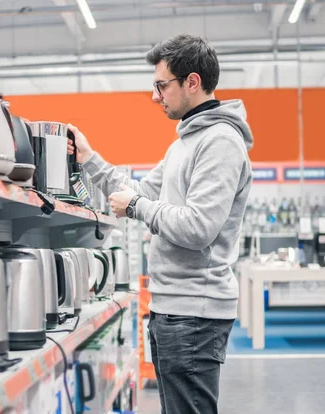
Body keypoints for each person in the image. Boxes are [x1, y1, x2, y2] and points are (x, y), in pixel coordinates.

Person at [67, 34, 254, 414]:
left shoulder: (220, 142)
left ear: (192, 82)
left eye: (161, 85)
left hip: (195, 314)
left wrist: (136, 207)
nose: (155, 96)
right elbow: (139, 189)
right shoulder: (183, 143)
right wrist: (89, 158)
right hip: (174, 310)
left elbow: (199, 227)